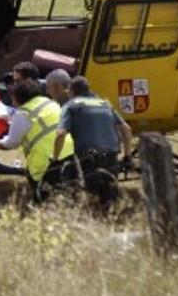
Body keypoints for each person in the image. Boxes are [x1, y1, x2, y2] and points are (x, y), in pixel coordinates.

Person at [53, 76, 133, 206]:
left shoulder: (71, 105)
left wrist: (55, 158)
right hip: (111, 157)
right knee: (109, 201)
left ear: (72, 91)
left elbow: (61, 133)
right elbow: (126, 129)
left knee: (87, 199)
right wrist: (128, 156)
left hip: (88, 159)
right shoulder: (105, 104)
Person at [0, 79, 76, 203]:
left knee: (44, 198)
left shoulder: (23, 113)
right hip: (71, 152)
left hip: (48, 160)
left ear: (18, 98)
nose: (12, 102)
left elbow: (12, 143)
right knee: (71, 193)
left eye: (12, 98)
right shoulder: (50, 103)